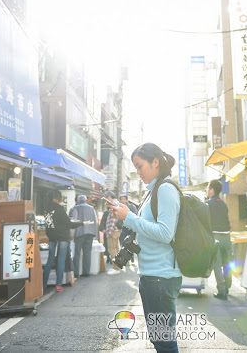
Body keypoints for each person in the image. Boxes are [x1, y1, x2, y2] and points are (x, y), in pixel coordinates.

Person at [109, 143, 181, 353]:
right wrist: (126, 215)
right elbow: (147, 230)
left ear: (155, 162)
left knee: (164, 342)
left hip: (160, 278)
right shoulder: (153, 191)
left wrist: (129, 217)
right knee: (160, 340)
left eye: (140, 166)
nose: (138, 172)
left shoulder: (166, 189)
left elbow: (166, 234)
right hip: (153, 277)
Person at [42, 190, 83, 291]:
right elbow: (68, 224)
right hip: (62, 237)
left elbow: (48, 224)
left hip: (52, 237)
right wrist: (80, 223)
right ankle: (58, 284)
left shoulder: (46, 209)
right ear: (57, 198)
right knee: (60, 260)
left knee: (50, 260)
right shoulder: (59, 208)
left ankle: (43, 284)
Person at [207, 179, 232, 300]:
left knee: (217, 264)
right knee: (227, 263)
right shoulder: (223, 204)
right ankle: (227, 287)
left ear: (212, 190)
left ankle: (222, 291)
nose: (207, 191)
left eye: (208, 188)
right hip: (227, 236)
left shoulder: (208, 204)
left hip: (215, 236)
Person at [70, 195, 98, 278]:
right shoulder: (92, 208)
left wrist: (72, 234)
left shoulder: (76, 208)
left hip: (80, 233)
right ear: (86, 200)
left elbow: (74, 221)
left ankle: (76, 272)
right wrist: (94, 233)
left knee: (77, 253)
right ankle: (86, 272)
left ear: (78, 201)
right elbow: (95, 221)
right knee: (87, 252)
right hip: (90, 233)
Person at [104, 191, 122, 275]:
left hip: (113, 230)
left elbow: (113, 219)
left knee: (112, 249)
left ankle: (116, 268)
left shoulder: (113, 204)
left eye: (106, 198)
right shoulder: (116, 203)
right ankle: (118, 267)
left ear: (109, 197)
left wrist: (110, 231)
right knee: (116, 249)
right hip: (117, 230)